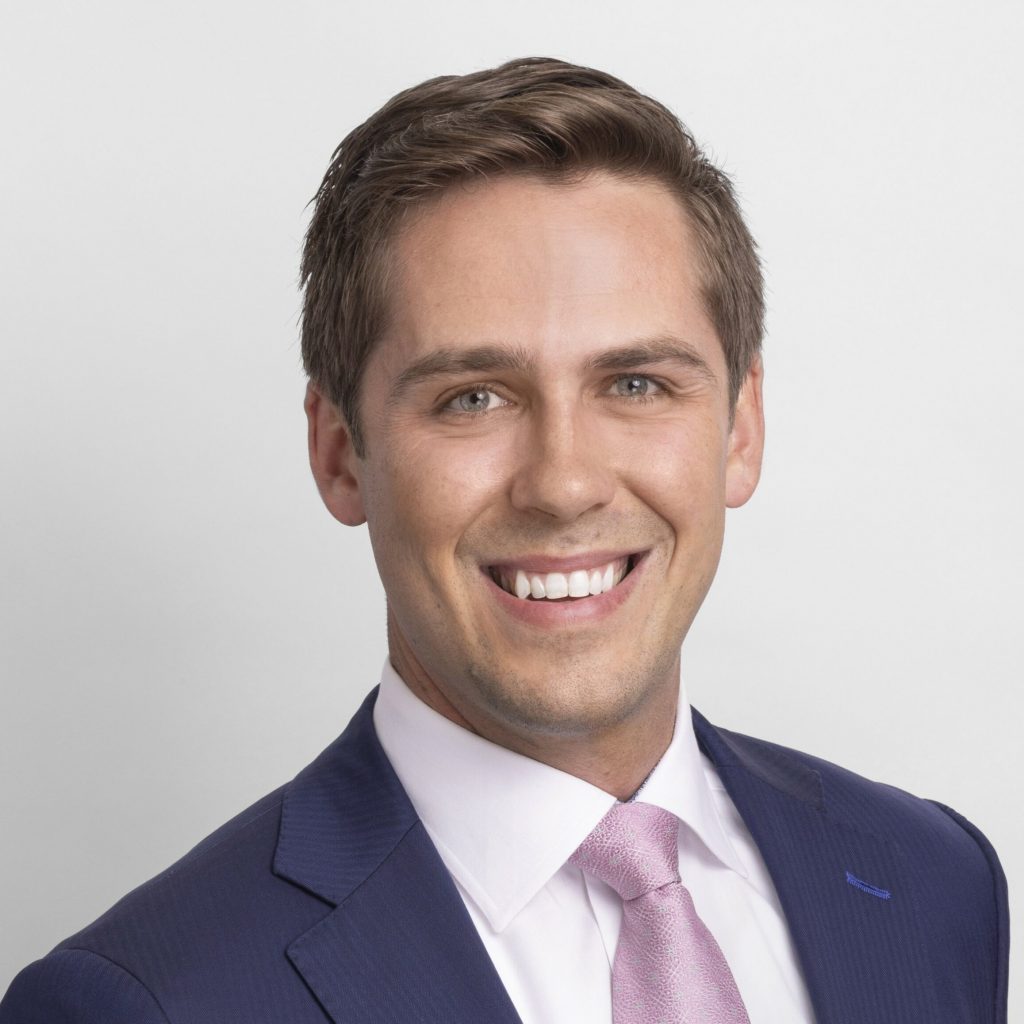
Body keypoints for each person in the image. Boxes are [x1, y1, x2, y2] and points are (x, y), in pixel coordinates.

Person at [0, 56, 1008, 1024]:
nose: (563, 483)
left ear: (740, 429)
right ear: (340, 453)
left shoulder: (933, 882)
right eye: (472, 398)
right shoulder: (144, 1004)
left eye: (636, 384)